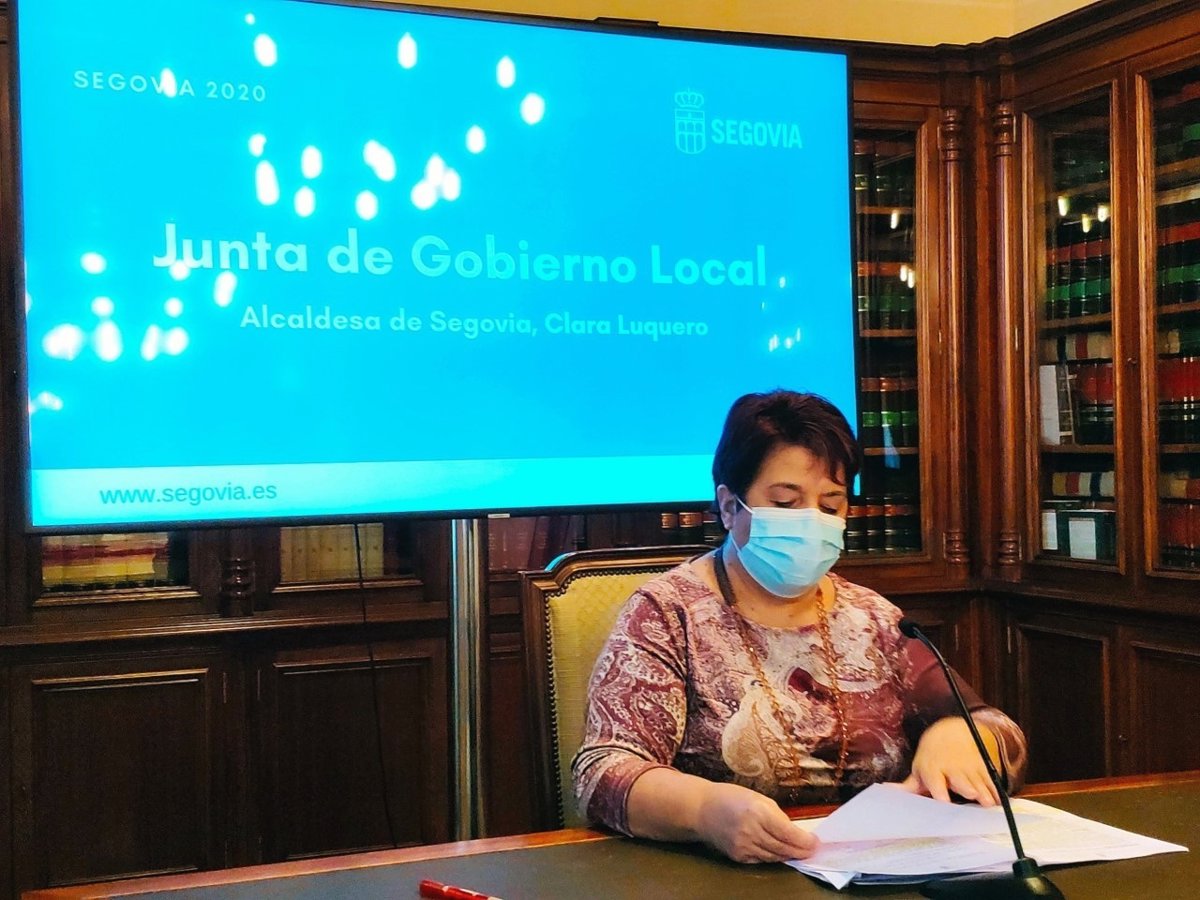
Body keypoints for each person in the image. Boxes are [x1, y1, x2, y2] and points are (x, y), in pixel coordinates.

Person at [572, 390, 1027, 864]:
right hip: (725, 875)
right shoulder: (669, 614)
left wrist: (965, 735)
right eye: (786, 503)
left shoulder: (872, 618)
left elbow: (999, 730)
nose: (811, 522)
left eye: (830, 506)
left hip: (876, 868)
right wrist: (703, 811)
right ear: (729, 506)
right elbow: (602, 773)